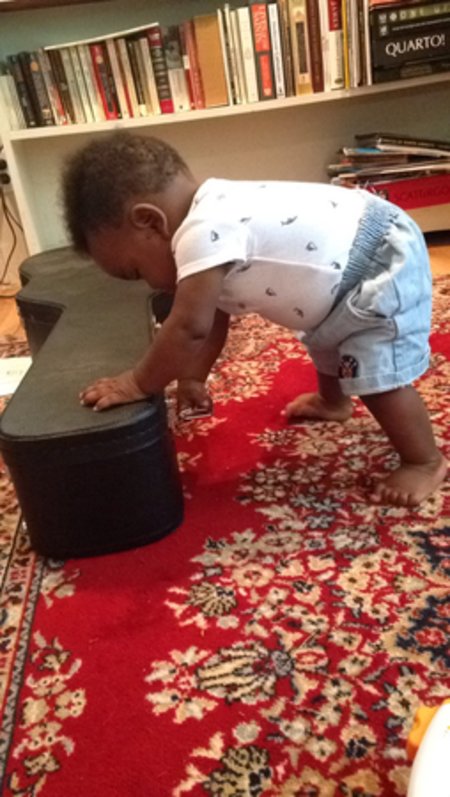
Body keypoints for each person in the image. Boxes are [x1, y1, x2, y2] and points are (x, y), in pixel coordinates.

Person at [62, 131, 447, 508]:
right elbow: (212, 316)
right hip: (339, 280)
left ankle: (424, 461)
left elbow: (188, 327)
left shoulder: (202, 231)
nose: (146, 284)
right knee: (326, 337)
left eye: (134, 271)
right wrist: (193, 377)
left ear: (149, 221)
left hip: (377, 265)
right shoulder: (207, 221)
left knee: (378, 375)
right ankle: (334, 402)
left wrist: (137, 382)